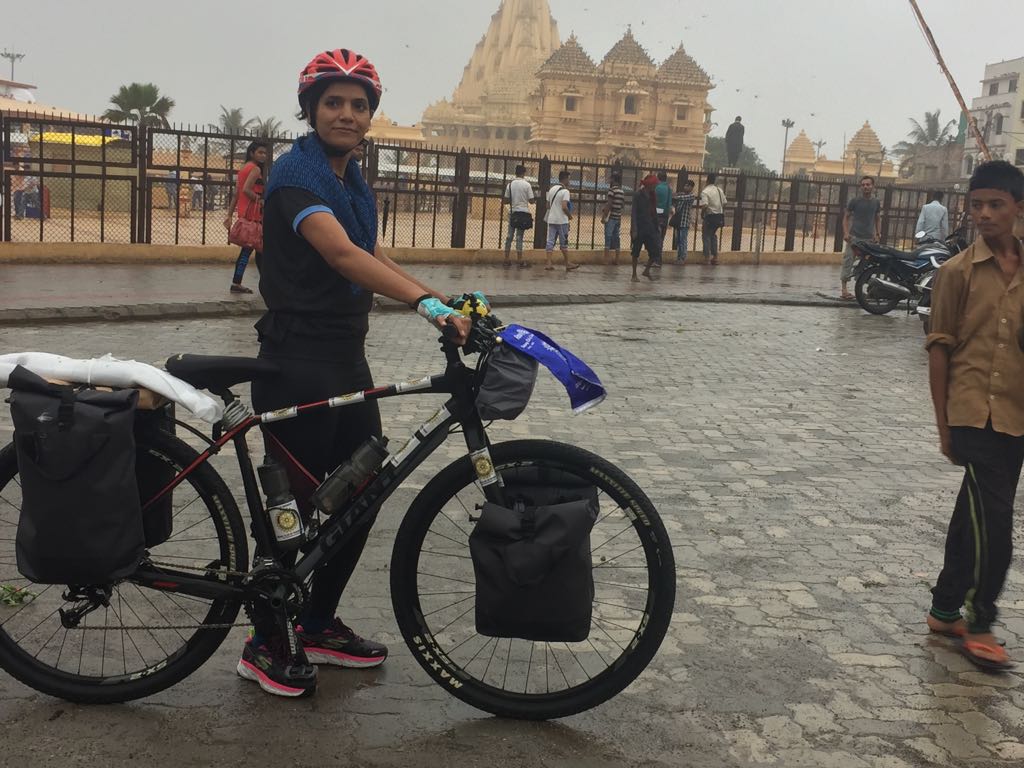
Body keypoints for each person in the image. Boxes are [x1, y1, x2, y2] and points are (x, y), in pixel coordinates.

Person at [237, 47, 473, 698]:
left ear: (372, 114)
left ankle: (314, 623)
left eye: (359, 104)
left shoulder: (350, 179)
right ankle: (262, 642)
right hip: (298, 363)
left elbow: (370, 248)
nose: (347, 113)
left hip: (346, 358)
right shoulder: (296, 174)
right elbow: (339, 253)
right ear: (311, 109)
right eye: (333, 102)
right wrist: (424, 303)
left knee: (360, 497)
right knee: (294, 514)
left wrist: (439, 302)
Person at [924, 160, 1024, 671]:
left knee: (975, 518)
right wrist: (945, 428)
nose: (984, 214)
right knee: (997, 524)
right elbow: (939, 349)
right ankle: (981, 621)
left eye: (996, 205)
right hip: (972, 414)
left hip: (1016, 416)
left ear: (1018, 209)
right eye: (977, 204)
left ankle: (945, 607)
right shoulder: (956, 272)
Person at [223, 140, 268, 294]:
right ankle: (240, 283)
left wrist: (229, 214)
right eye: (260, 152)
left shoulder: (243, 169)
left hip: (245, 214)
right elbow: (247, 190)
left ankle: (244, 283)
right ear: (252, 153)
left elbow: (236, 194)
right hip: (254, 216)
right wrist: (261, 200)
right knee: (255, 249)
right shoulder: (255, 169)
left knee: (256, 250)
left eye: (265, 153)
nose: (263, 156)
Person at [840, 175, 882, 299]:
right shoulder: (854, 201)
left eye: (868, 185)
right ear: (860, 187)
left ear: (873, 186)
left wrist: (878, 234)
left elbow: (877, 218)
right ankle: (844, 290)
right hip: (854, 238)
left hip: (869, 239)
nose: (865, 187)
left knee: (867, 264)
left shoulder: (876, 202)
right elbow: (846, 217)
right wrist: (846, 233)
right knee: (848, 261)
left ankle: (862, 289)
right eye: (863, 185)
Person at [544, 169, 578, 271]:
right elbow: (564, 206)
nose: (570, 182)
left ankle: (549, 263)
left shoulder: (552, 189)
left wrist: (554, 210)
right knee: (564, 242)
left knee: (550, 241)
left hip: (551, 219)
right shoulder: (565, 191)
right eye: (569, 179)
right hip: (562, 221)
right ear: (565, 179)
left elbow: (547, 205)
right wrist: (570, 216)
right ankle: (567, 263)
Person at [631, 173, 662, 281]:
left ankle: (646, 270)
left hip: (650, 227)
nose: (655, 186)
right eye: (654, 184)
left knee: (655, 251)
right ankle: (634, 274)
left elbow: (654, 212)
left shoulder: (653, 195)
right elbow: (633, 212)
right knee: (636, 251)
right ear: (649, 185)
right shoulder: (638, 195)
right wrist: (634, 228)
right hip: (639, 227)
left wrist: (657, 225)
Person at [503, 163, 534, 268]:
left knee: (509, 236)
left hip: (513, 213)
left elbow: (506, 200)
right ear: (523, 173)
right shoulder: (527, 185)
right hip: (523, 213)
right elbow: (531, 201)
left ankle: (506, 258)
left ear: (515, 173)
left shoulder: (510, 185)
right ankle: (519, 259)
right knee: (519, 236)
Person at [699, 172, 727, 265]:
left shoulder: (705, 192)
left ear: (707, 180)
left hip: (710, 217)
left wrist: (702, 214)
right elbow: (724, 202)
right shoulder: (719, 190)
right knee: (713, 235)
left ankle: (706, 258)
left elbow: (705, 205)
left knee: (706, 236)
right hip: (719, 217)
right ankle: (715, 257)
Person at [600, 171, 625, 264]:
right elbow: (622, 205)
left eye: (611, 178)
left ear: (613, 179)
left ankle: (606, 259)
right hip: (618, 217)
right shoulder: (622, 191)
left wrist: (604, 216)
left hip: (611, 217)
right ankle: (617, 259)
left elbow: (609, 204)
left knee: (608, 237)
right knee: (616, 238)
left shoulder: (612, 191)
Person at [671, 179, 697, 264]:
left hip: (684, 222)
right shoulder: (683, 195)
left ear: (691, 187)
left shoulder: (691, 196)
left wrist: (673, 196)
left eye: (688, 186)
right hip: (679, 222)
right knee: (678, 241)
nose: (685, 187)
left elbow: (679, 197)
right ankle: (679, 258)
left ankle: (682, 258)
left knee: (683, 241)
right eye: (685, 185)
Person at [654, 171, 672, 266]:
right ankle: (658, 260)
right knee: (661, 238)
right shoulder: (669, 188)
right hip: (665, 216)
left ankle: (655, 259)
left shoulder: (657, 188)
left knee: (655, 238)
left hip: (656, 215)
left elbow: (653, 202)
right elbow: (669, 204)